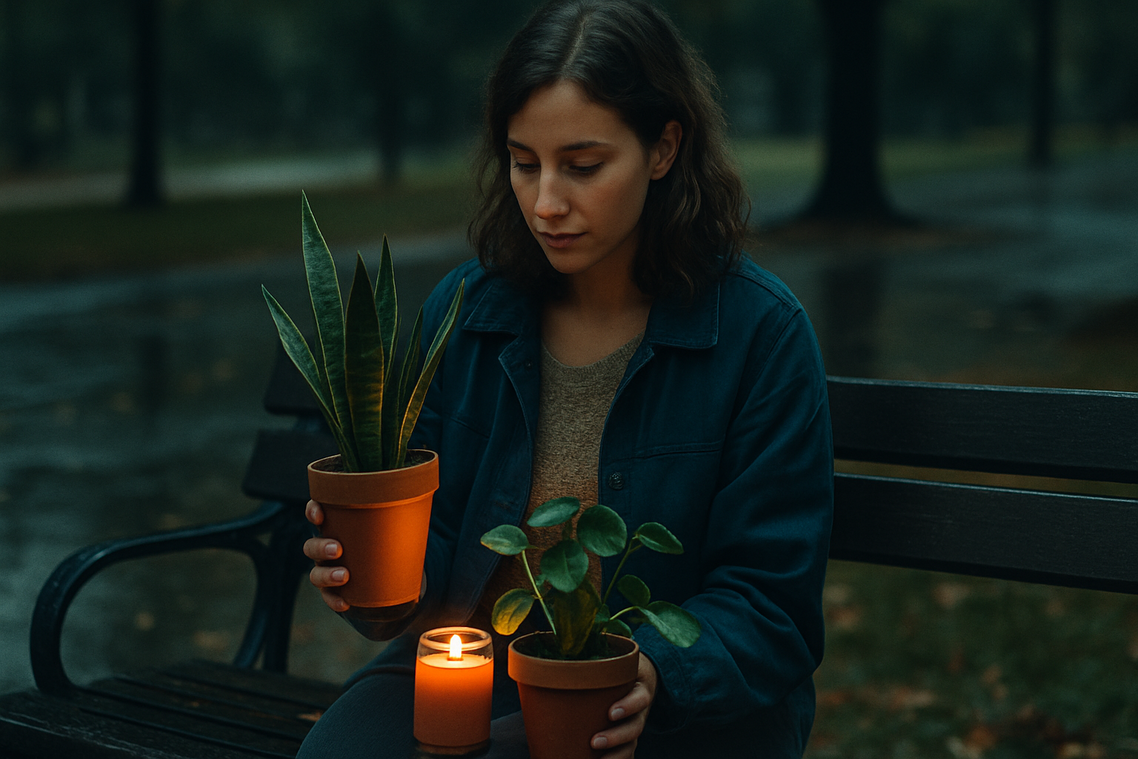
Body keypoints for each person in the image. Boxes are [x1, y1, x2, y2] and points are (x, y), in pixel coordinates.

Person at [298, 1, 832, 757]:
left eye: (582, 167)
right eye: (524, 163)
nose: (546, 202)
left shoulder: (759, 334)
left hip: (674, 704)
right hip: (479, 674)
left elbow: (771, 599)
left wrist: (654, 665)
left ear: (663, 147)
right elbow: (432, 552)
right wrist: (366, 577)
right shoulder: (468, 312)